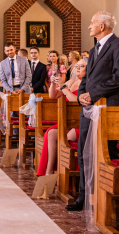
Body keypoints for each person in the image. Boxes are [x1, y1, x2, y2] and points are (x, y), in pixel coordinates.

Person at [67, 11, 119, 212]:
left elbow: (117, 78)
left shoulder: (116, 45)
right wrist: (82, 95)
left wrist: (93, 94)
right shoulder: (93, 49)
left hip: (108, 107)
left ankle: (105, 202)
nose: (89, 26)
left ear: (102, 26)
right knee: (83, 153)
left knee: (106, 153)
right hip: (88, 108)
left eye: (92, 23)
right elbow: (86, 78)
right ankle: (84, 197)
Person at [37, 58, 88, 176]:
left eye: (82, 66)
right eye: (77, 66)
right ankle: (49, 171)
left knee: (64, 140)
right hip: (67, 121)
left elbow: (76, 101)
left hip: (80, 122)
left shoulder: (88, 84)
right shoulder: (71, 82)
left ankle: (64, 174)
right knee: (51, 133)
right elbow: (53, 95)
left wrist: (64, 89)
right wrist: (53, 84)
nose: (77, 68)